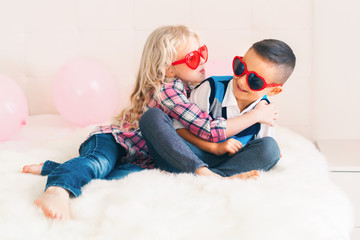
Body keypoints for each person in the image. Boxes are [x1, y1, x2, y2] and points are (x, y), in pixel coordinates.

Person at [22, 25, 276, 220]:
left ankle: (54, 167)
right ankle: (57, 190)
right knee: (99, 162)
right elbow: (208, 129)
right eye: (193, 58)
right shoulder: (169, 90)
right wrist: (254, 116)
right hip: (115, 141)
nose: (203, 62)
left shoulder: (194, 89)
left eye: (202, 53)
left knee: (112, 175)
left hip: (142, 158)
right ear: (168, 70)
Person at [139, 39, 296, 178]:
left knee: (271, 149)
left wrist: (270, 154)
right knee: (152, 117)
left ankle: (216, 177)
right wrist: (214, 147)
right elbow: (179, 130)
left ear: (274, 90)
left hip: (226, 162)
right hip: (186, 155)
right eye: (240, 68)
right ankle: (204, 173)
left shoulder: (266, 111)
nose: (241, 81)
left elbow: (263, 148)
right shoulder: (211, 88)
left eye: (255, 81)